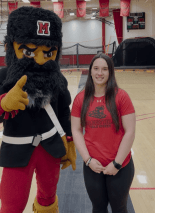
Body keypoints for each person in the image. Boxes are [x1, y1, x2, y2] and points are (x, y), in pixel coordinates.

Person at [0, 6, 76, 213]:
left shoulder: (57, 79)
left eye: (48, 53)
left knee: (48, 196)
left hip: (50, 147)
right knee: (13, 202)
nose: (39, 60)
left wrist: (69, 139)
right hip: (17, 152)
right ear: (12, 47)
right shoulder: (4, 77)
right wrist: (3, 103)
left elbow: (64, 110)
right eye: (29, 51)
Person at [71, 53, 136, 213]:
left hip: (120, 167)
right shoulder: (81, 99)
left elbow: (130, 132)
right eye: (96, 68)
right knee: (98, 208)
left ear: (110, 72)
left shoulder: (121, 97)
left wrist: (117, 164)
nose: (100, 73)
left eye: (105, 69)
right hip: (93, 167)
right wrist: (88, 160)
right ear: (91, 71)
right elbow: (76, 130)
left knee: (119, 208)